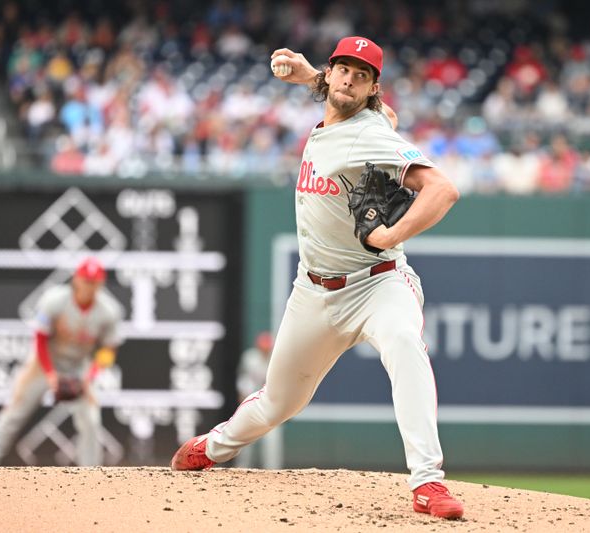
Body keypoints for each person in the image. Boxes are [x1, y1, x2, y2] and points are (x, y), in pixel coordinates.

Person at [171, 36, 464, 520]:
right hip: (315, 290)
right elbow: (371, 112)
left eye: (362, 74)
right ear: (331, 73)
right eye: (342, 69)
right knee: (278, 402)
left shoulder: (369, 133)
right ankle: (215, 446)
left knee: (404, 344)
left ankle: (428, 483)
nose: (349, 78)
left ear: (374, 88)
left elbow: (442, 189)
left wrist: (392, 235)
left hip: (378, 283)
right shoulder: (353, 117)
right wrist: (311, 77)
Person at [0, 257, 123, 466]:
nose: (89, 285)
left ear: (100, 283)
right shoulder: (55, 300)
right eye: (85, 280)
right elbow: (41, 339)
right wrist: (51, 374)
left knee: (90, 420)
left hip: (78, 366)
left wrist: (89, 378)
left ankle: (91, 477)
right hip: (43, 363)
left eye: (94, 281)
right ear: (76, 280)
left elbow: (108, 350)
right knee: (14, 412)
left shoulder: (108, 311)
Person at [233, 331, 273, 468]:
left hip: (269, 405)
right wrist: (243, 395)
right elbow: (243, 379)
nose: (265, 349)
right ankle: (241, 469)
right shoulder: (250, 358)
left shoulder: (276, 359)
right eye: (263, 346)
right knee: (245, 439)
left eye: (267, 346)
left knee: (270, 442)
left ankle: (272, 471)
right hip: (251, 402)